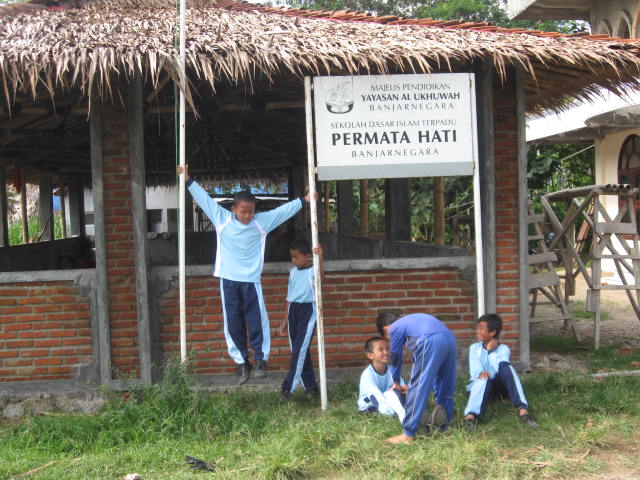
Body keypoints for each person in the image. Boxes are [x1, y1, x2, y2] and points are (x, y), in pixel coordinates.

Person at [178, 164, 311, 384]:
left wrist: (304, 201)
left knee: (257, 321)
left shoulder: (261, 223)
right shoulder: (221, 219)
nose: (247, 215)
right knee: (233, 323)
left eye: (250, 211)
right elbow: (204, 199)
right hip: (228, 281)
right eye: (243, 211)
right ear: (233, 209)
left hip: (251, 281)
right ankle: (241, 363)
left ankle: (260, 360)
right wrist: (188, 179)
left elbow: (282, 212)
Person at [376, 311, 457, 445]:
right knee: (445, 381)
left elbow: (396, 357)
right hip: (449, 338)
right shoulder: (411, 323)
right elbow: (425, 369)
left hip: (429, 340)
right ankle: (445, 427)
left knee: (418, 386)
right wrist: (412, 383)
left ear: (386, 330)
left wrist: (396, 381)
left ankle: (408, 434)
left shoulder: (395, 328)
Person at [463, 313, 538, 431]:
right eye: (477, 328)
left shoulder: (503, 349)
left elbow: (501, 368)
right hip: (481, 388)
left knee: (506, 367)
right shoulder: (474, 348)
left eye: (481, 328)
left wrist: (490, 352)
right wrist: (481, 373)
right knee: (482, 378)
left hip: (500, 389)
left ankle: (522, 410)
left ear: (492, 333)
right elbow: (475, 370)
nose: (477, 331)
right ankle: (470, 416)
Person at [278, 239, 323, 401]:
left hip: (307, 310)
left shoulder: (313, 270)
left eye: (296, 257)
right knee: (300, 351)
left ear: (307, 257)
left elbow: (321, 279)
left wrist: (320, 258)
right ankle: (311, 387)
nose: (294, 260)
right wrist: (284, 320)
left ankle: (287, 389)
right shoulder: (292, 272)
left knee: (299, 351)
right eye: (292, 257)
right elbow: (289, 297)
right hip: (293, 311)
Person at [357, 336, 406, 422]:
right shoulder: (367, 376)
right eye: (381, 350)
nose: (386, 352)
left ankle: (413, 415)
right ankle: (405, 418)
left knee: (404, 396)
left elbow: (401, 386)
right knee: (392, 396)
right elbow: (378, 400)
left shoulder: (391, 370)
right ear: (370, 355)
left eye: (387, 349)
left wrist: (404, 389)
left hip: (390, 401)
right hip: (372, 407)